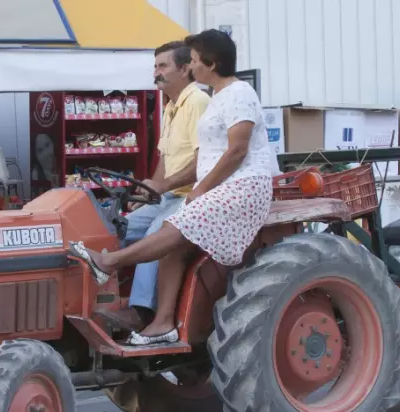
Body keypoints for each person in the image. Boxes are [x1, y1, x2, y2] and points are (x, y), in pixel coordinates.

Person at [69, 29, 274, 345]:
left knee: (168, 228)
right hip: (221, 186)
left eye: (193, 61)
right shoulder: (215, 97)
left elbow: (237, 150)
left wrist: (201, 189)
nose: (191, 68)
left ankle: (110, 266)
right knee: (159, 236)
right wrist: (155, 188)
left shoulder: (238, 93)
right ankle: (162, 322)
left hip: (242, 187)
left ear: (213, 62)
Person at [97, 40, 211, 331]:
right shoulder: (171, 107)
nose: (156, 72)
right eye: (155, 66)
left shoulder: (198, 102)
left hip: (191, 197)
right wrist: (149, 192)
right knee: (114, 228)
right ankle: (99, 302)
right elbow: (164, 159)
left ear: (185, 69)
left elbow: (203, 164)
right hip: (168, 195)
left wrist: (162, 188)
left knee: (152, 236)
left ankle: (142, 312)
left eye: (163, 66)